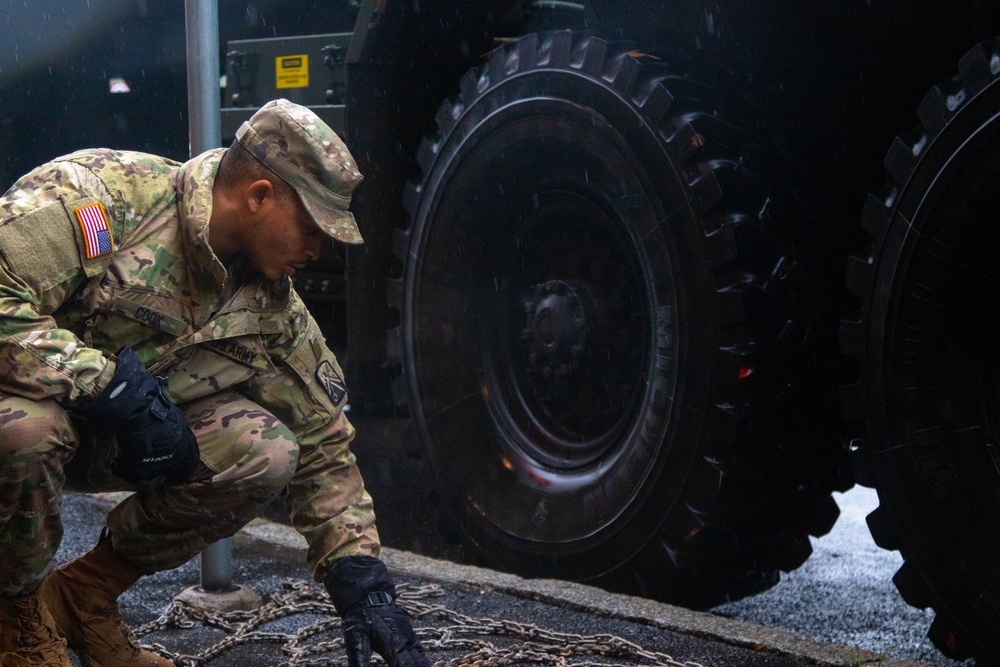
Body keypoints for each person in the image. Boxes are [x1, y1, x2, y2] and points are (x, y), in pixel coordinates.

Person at [0, 98, 430, 667]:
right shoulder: (104, 195)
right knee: (26, 432)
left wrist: (363, 585)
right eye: (310, 228)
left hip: (108, 444)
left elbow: (323, 443)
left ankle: (84, 597)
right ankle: (16, 619)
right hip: (26, 424)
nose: (316, 250)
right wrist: (107, 386)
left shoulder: (274, 312)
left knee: (266, 451)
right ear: (259, 196)